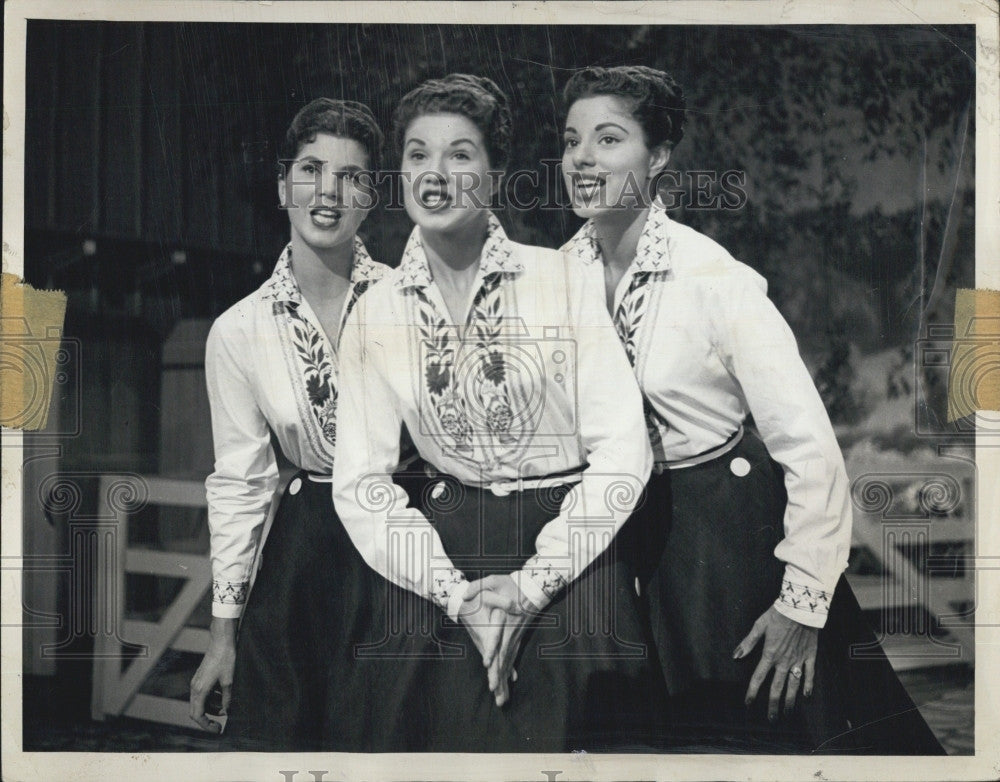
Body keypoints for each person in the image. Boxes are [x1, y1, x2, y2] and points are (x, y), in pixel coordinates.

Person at [559, 65, 944, 754]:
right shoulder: (555, 279)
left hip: (729, 551)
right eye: (571, 140)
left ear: (659, 156)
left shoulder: (717, 281)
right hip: (619, 554)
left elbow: (809, 446)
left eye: (609, 138)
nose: (583, 158)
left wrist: (800, 605)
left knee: (767, 749)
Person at [332, 73, 665, 752]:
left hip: (574, 543)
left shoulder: (564, 279)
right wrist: (457, 596)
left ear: (496, 172)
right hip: (440, 553)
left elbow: (623, 453)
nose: (435, 173)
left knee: (577, 719)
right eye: (418, 155)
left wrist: (531, 587)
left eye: (460, 154)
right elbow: (361, 487)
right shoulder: (374, 312)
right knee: (407, 710)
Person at [188, 98, 402, 751]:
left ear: (371, 197)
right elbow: (241, 486)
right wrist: (223, 634)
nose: (328, 192)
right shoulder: (238, 332)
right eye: (311, 169)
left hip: (407, 551)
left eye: (351, 176)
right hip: (305, 560)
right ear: (284, 184)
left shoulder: (413, 303)